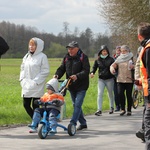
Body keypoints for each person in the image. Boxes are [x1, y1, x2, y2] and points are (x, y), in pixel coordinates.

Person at [53, 41, 90, 130]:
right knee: (75, 104)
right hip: (71, 85)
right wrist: (57, 75)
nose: (70, 50)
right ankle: (83, 123)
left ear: (77, 49)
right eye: (69, 49)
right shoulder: (66, 57)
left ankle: (72, 123)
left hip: (82, 85)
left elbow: (86, 70)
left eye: (72, 49)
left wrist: (77, 76)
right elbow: (62, 68)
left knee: (77, 104)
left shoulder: (83, 57)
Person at [19, 37, 50, 119]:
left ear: (38, 46)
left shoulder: (42, 57)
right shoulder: (26, 56)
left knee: (35, 105)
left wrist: (36, 82)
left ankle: (35, 123)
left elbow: (45, 71)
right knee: (26, 104)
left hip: (37, 85)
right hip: (26, 84)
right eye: (30, 45)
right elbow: (22, 68)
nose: (31, 47)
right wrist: (22, 79)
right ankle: (37, 120)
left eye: (33, 45)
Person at [90, 45, 115, 116]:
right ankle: (99, 110)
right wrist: (92, 73)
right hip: (101, 79)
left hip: (109, 79)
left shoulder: (111, 59)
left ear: (107, 51)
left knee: (110, 93)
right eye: (103, 51)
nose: (104, 52)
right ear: (100, 52)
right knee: (99, 94)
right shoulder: (98, 60)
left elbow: (114, 67)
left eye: (105, 51)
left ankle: (111, 107)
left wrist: (114, 72)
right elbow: (94, 68)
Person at [136, 22, 150, 149]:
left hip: (149, 92)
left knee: (148, 121)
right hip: (146, 88)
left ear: (139, 36)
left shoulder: (148, 49)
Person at [110, 45, 134, 116]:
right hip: (120, 79)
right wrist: (112, 69)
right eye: (122, 51)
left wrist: (134, 66)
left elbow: (138, 66)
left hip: (129, 79)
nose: (123, 52)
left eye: (125, 51)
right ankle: (123, 109)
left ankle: (129, 110)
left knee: (128, 95)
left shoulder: (132, 58)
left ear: (128, 51)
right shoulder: (119, 59)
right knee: (120, 94)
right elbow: (113, 65)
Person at [134, 46, 145, 142]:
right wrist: (138, 80)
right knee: (147, 108)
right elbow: (138, 65)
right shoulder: (145, 48)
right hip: (146, 83)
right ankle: (144, 130)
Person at [113, 46, 121, 111]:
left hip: (121, 77)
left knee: (120, 92)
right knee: (115, 93)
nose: (118, 51)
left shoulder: (123, 58)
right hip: (114, 77)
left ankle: (121, 105)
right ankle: (117, 106)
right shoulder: (113, 58)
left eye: (120, 50)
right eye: (117, 50)